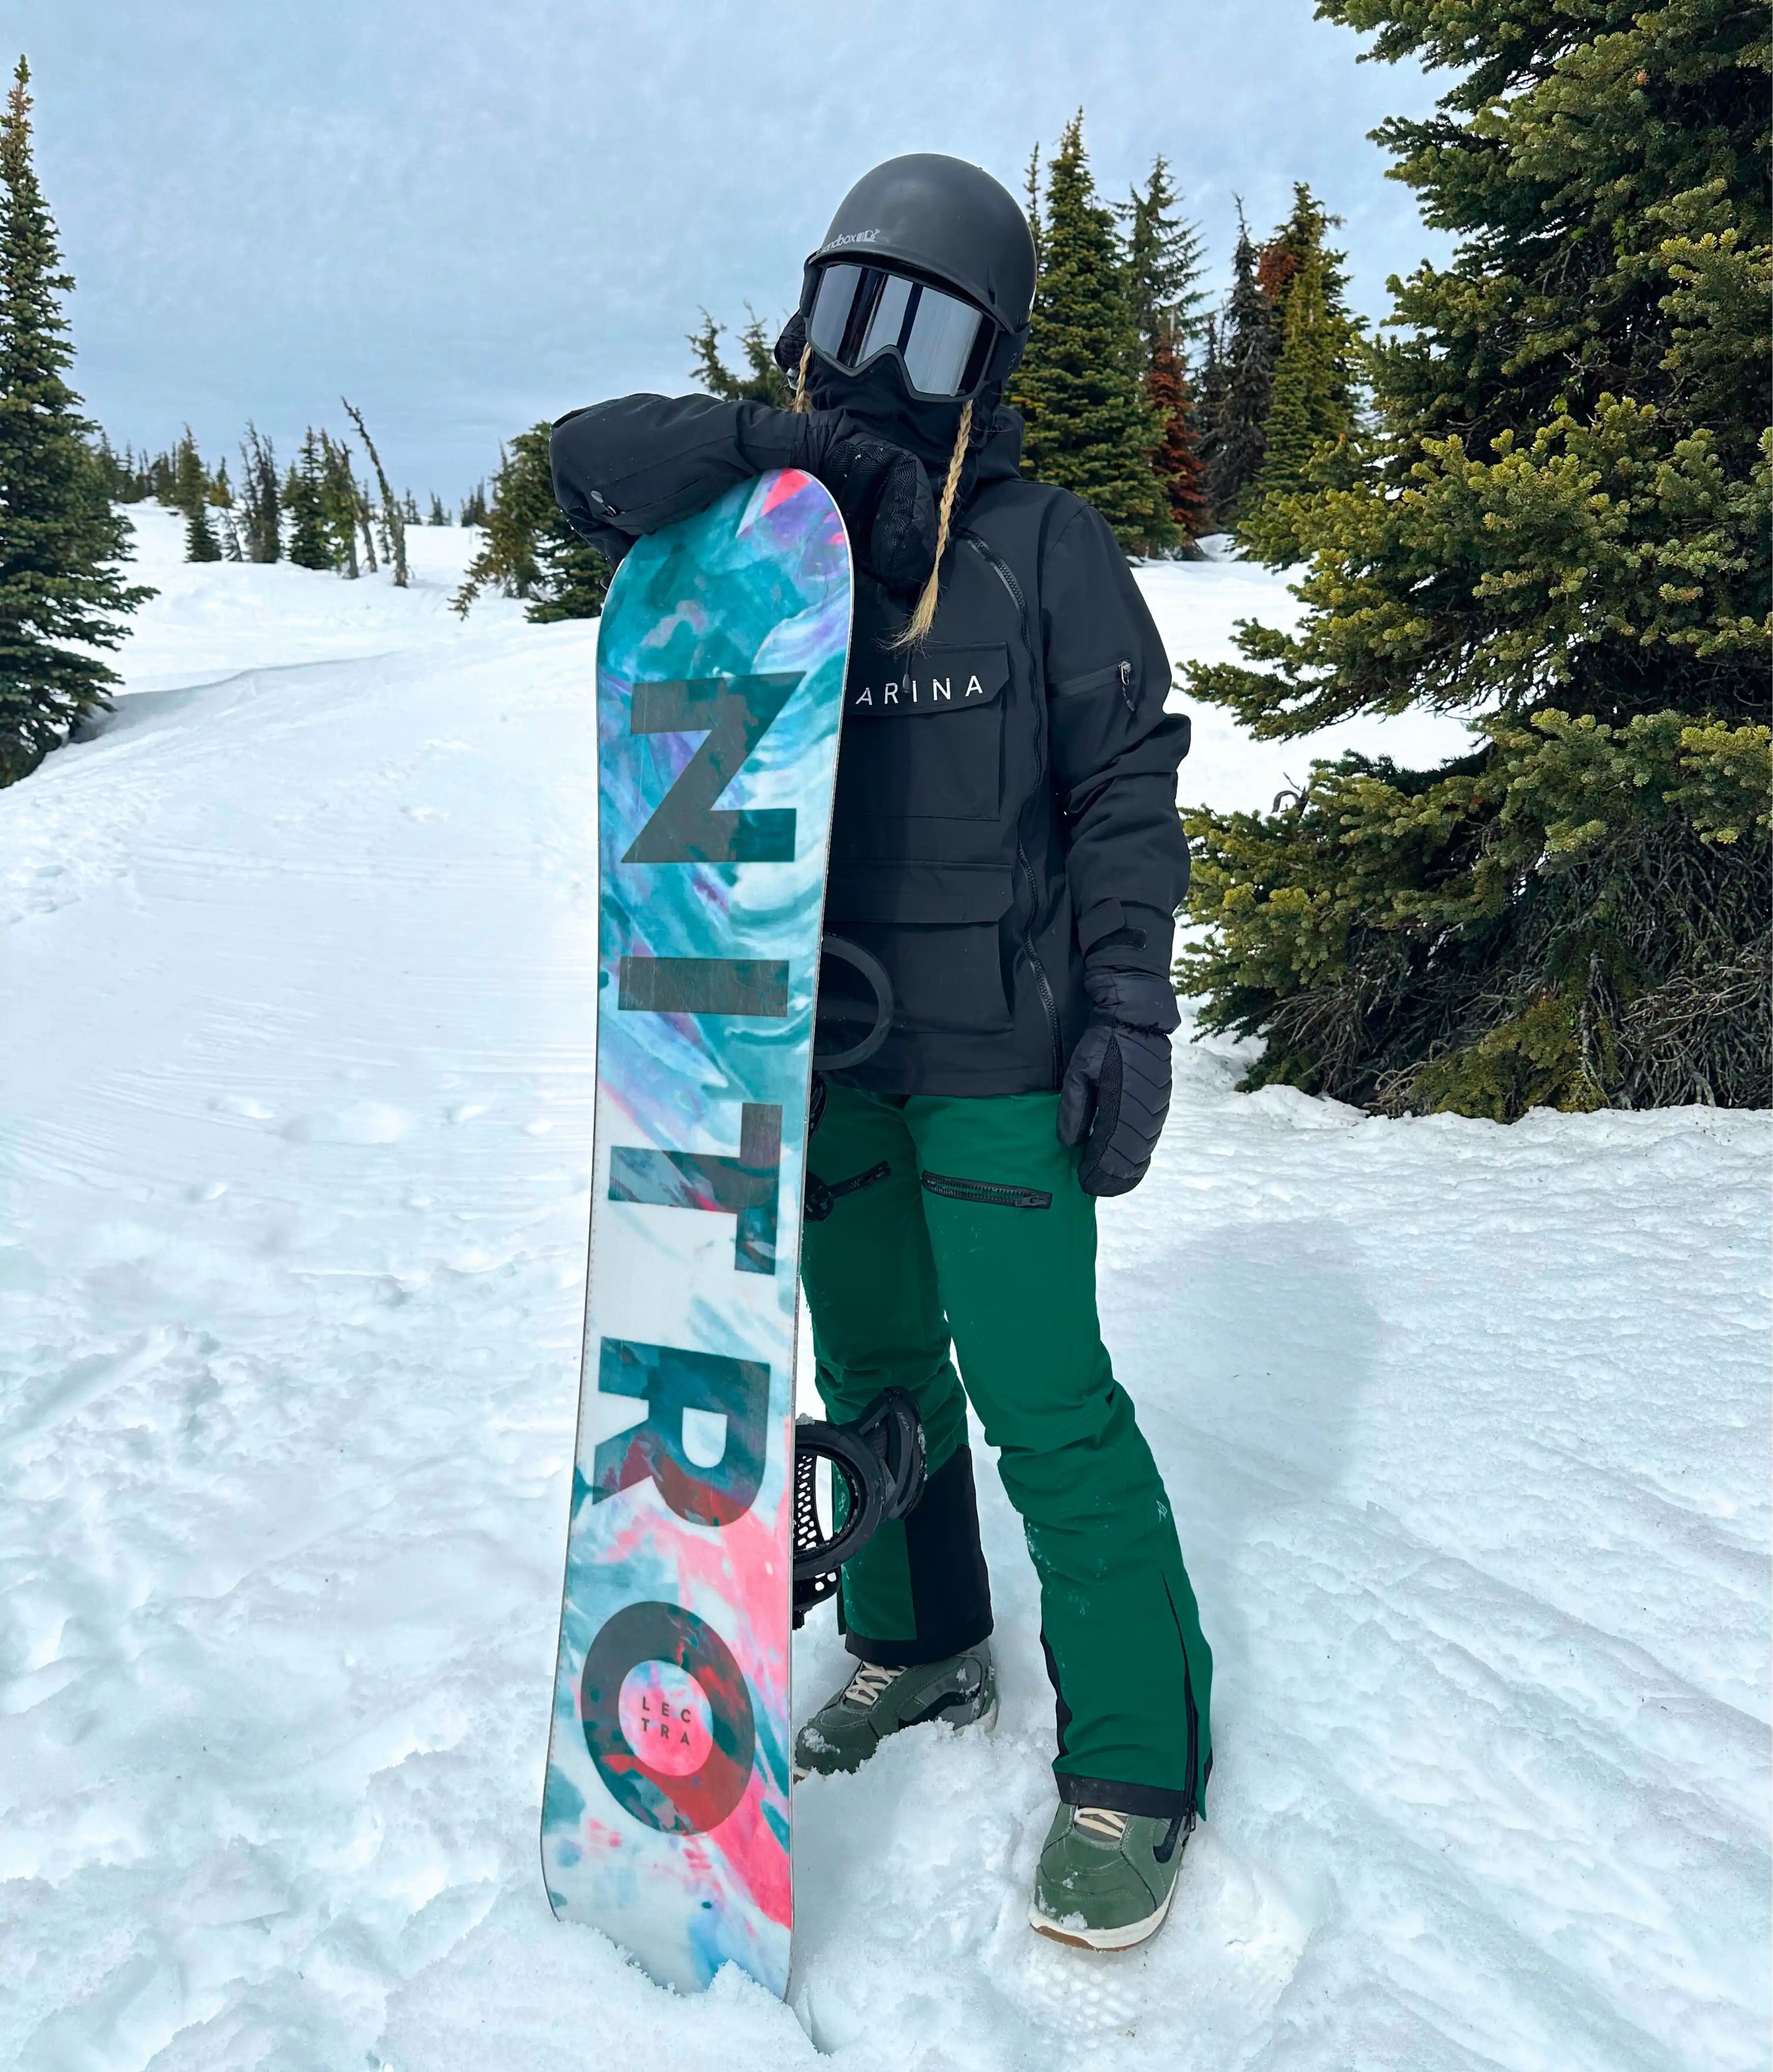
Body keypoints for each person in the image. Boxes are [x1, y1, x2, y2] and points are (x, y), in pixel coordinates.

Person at [550, 153, 1212, 1952]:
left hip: (999, 1060)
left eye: (913, 321)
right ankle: (920, 1646)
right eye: (841, 307)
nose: (869, 352)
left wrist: (1127, 1009)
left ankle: (1139, 1757)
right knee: (873, 1373)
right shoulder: (771, 537)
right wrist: (781, 442)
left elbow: (1125, 792)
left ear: (985, 355)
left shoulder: (1042, 549)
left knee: (1044, 1399)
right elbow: (580, 467)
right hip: (814, 1054)